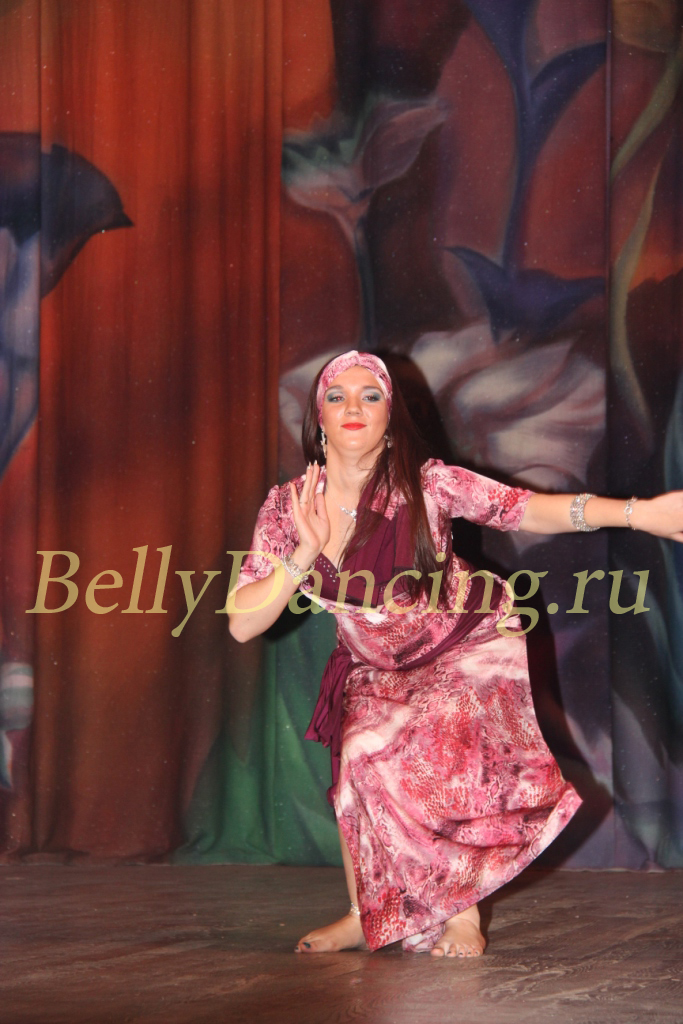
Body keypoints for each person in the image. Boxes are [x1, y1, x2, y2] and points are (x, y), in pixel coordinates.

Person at [228, 350, 683, 959]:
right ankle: (367, 914)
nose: (354, 406)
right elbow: (242, 622)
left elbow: (525, 508)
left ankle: (461, 913)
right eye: (337, 397)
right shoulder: (288, 508)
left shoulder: (429, 483)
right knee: (358, 759)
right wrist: (302, 556)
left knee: (440, 734)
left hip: (463, 642)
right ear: (319, 421)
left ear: (390, 418)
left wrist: (637, 514)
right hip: (373, 666)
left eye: (370, 395)